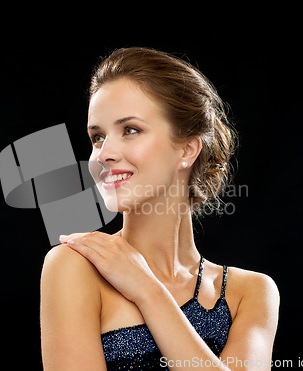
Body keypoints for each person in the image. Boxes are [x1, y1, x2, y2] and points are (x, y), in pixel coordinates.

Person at [40, 46, 280, 370]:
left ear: (187, 149)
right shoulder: (75, 267)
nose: (103, 154)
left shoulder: (249, 294)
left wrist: (147, 291)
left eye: (130, 130)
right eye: (97, 137)